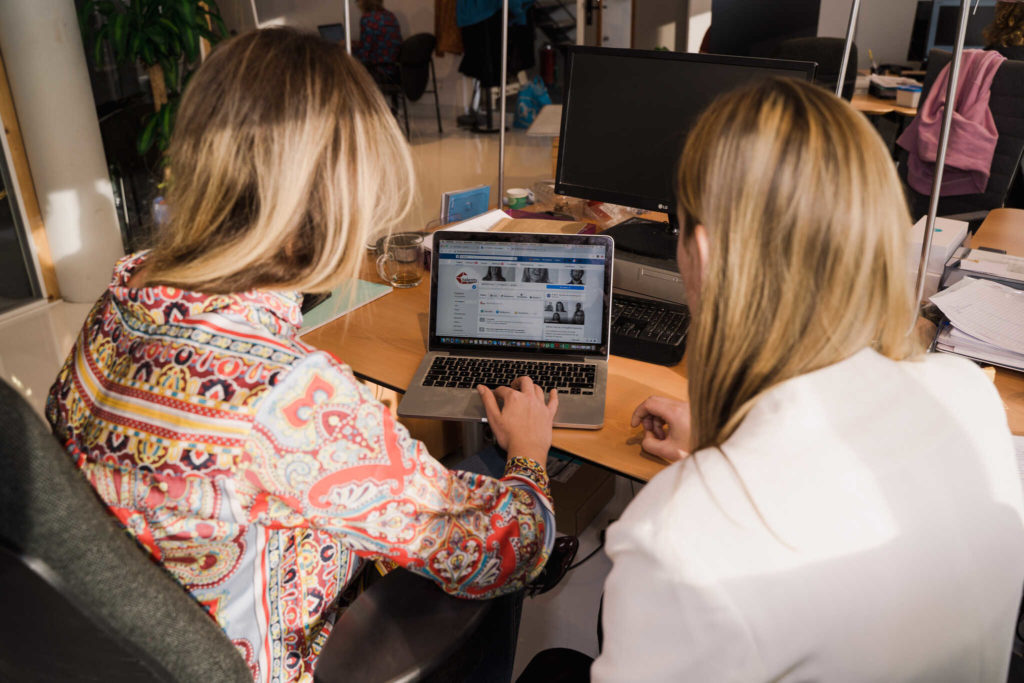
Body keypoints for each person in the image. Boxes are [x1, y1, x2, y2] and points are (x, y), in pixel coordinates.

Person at [46, 29, 557, 683]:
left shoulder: (121, 297)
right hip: (276, 656)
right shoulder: (291, 400)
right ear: (332, 205)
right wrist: (530, 461)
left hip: (148, 637)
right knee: (497, 481)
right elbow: (499, 553)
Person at [592, 78, 1024, 681]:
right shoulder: (969, 394)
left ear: (710, 256)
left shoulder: (678, 539)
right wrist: (726, 446)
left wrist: (719, 473)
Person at [353, 0, 403, 82]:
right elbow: (379, 41)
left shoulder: (368, 18)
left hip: (378, 71)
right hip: (393, 69)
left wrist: (346, 50)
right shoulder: (390, 16)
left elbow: (363, 55)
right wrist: (353, 43)